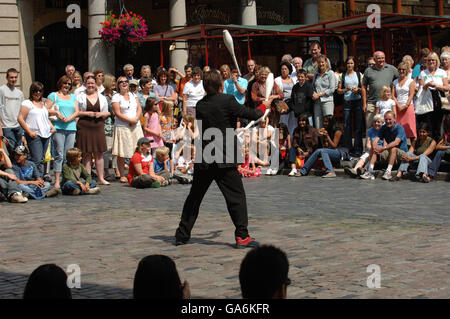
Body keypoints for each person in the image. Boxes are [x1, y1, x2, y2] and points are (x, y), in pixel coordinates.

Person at [174, 70, 269, 248]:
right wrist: (266, 105)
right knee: (236, 197)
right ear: (221, 85)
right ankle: (242, 236)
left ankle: (182, 234)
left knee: (194, 197)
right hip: (224, 156)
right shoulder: (227, 100)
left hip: (205, 156)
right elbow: (253, 114)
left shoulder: (201, 105)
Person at [76, 74, 110, 185]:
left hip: (98, 126)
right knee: (86, 153)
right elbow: (76, 112)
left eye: (92, 83)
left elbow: (106, 112)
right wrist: (87, 113)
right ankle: (88, 178)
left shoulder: (102, 97)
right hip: (84, 126)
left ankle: (101, 178)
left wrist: (100, 114)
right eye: (88, 83)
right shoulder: (80, 96)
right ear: (85, 84)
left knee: (99, 153)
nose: (90, 85)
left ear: (95, 84)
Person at [46, 75, 79, 190]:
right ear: (60, 83)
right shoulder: (53, 95)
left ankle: (67, 178)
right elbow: (45, 109)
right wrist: (57, 113)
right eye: (65, 83)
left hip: (71, 127)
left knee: (68, 155)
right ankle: (57, 181)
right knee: (59, 154)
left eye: (69, 84)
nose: (67, 86)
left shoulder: (73, 96)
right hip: (58, 127)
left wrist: (69, 118)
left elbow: (76, 111)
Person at [17, 82, 55, 177]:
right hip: (35, 135)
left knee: (42, 160)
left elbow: (44, 118)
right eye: (35, 90)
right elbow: (20, 118)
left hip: (45, 134)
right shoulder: (27, 103)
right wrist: (29, 132)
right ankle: (35, 180)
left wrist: (51, 127)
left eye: (40, 91)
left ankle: (40, 179)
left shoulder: (43, 103)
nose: (37, 93)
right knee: (36, 160)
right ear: (31, 91)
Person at [111, 76, 144, 183]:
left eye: (126, 81)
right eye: (121, 82)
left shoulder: (133, 95)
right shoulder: (116, 97)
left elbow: (139, 108)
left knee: (138, 150)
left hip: (136, 126)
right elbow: (117, 113)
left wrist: (135, 119)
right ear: (118, 84)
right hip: (122, 126)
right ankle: (122, 174)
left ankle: (137, 172)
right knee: (122, 152)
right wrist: (129, 120)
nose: (124, 83)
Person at [362, 111, 408, 180]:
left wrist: (383, 148)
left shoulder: (400, 128)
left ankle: (388, 172)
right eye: (386, 119)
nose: (388, 121)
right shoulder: (383, 128)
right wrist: (374, 147)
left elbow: (396, 142)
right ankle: (370, 171)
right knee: (374, 148)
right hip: (389, 152)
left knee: (393, 148)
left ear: (394, 118)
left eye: (390, 119)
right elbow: (376, 139)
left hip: (401, 154)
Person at [362, 51, 399, 132]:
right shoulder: (368, 70)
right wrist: (364, 103)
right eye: (378, 58)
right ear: (374, 59)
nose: (381, 60)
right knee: (370, 127)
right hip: (372, 103)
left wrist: (394, 94)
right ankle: (369, 144)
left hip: (386, 104)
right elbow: (363, 87)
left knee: (387, 127)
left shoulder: (391, 69)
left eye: (383, 58)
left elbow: (401, 78)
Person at [418, 52, 449, 140]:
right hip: (427, 100)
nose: (431, 62)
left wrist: (437, 86)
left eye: (433, 60)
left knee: (439, 125)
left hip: (438, 100)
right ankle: (429, 146)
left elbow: (446, 88)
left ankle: (438, 145)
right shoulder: (423, 73)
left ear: (437, 61)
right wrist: (427, 85)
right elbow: (420, 89)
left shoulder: (442, 72)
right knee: (429, 124)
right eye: (430, 60)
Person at [337, 56, 364, 157]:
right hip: (347, 102)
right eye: (348, 63)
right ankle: (348, 148)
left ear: (354, 64)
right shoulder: (342, 75)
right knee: (347, 126)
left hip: (357, 101)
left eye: (351, 63)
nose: (350, 65)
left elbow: (363, 88)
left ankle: (358, 149)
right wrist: (345, 89)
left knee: (358, 126)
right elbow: (338, 90)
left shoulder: (359, 74)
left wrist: (358, 90)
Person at [346, 114, 385, 178]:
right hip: (371, 150)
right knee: (365, 156)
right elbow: (368, 144)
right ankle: (355, 170)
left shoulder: (384, 131)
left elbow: (384, 145)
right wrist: (371, 149)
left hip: (380, 151)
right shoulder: (370, 131)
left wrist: (377, 149)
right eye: (375, 122)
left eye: (378, 122)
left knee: (370, 155)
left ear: (382, 123)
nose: (376, 123)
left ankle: (363, 169)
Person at [0, 68, 25, 153]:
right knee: (12, 149)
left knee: (19, 149)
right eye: (11, 77)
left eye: (15, 77)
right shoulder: (2, 90)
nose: (13, 79)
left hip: (18, 125)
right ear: (7, 78)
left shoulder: (20, 93)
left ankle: (16, 165)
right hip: (6, 126)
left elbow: (22, 111)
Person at [393, 62, 417, 144]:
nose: (401, 71)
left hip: (408, 107)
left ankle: (412, 148)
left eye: (403, 69)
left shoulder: (411, 81)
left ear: (406, 70)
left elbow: (411, 94)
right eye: (399, 69)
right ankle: (400, 146)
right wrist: (398, 105)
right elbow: (393, 95)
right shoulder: (395, 82)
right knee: (398, 128)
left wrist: (405, 105)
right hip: (397, 107)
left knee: (410, 128)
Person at [102, 73, 120, 180]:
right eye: (112, 81)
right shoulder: (102, 96)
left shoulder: (116, 95)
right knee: (107, 148)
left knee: (116, 148)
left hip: (117, 123)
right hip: (107, 124)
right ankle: (106, 170)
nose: (114, 83)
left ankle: (117, 169)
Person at [312, 55, 336, 129]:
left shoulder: (330, 73)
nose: (321, 64)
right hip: (317, 103)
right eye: (319, 62)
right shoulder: (316, 74)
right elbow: (313, 86)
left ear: (326, 62)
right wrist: (313, 94)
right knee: (318, 124)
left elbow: (332, 89)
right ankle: (320, 140)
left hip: (327, 101)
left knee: (328, 124)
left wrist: (319, 94)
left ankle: (329, 140)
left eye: (322, 62)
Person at [275, 62, 297, 136]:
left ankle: (291, 141)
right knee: (283, 123)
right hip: (283, 104)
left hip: (293, 104)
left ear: (289, 70)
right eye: (282, 69)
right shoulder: (277, 80)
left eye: (285, 69)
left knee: (293, 123)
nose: (284, 71)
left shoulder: (294, 79)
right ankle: (282, 142)